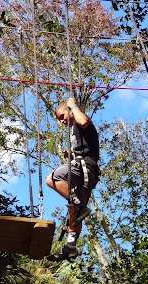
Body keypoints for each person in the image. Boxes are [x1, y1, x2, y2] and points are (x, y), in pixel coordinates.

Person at [46, 98, 100, 261]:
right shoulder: (74, 130)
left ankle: (78, 204)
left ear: (69, 110)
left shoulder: (81, 120)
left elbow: (83, 120)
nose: (62, 121)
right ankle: (71, 246)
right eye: (59, 119)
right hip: (88, 173)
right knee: (74, 212)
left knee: (51, 179)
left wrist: (73, 105)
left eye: (62, 116)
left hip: (85, 166)